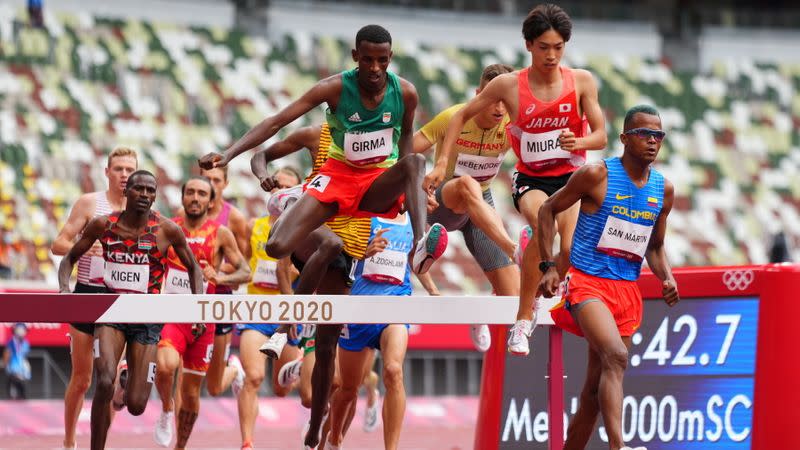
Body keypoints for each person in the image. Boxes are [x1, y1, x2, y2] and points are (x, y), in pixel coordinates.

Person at [224, 24, 449, 445]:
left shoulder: (407, 93)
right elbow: (274, 127)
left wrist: (407, 192)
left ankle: (421, 248)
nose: (376, 68)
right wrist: (233, 157)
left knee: (415, 164)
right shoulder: (325, 111)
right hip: (331, 192)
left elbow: (403, 151)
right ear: (354, 57)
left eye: (384, 60)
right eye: (368, 60)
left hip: (368, 204)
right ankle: (289, 335)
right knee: (283, 248)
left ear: (391, 58)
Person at [425, 3, 607, 356]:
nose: (551, 56)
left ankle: (542, 286)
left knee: (568, 250)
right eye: (544, 48)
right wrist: (442, 160)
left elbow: (600, 136)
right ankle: (522, 322)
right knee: (542, 222)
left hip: (570, 178)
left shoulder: (581, 81)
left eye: (558, 48)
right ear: (528, 46)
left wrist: (578, 141)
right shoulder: (508, 86)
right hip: (532, 179)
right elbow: (461, 114)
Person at [537, 105, 679, 450]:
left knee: (592, 393)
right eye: (644, 134)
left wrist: (667, 277)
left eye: (658, 135)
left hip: (626, 290)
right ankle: (619, 446)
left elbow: (655, 247)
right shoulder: (597, 175)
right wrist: (549, 266)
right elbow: (547, 209)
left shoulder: (664, 190)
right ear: (624, 138)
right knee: (616, 356)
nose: (652, 141)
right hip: (587, 282)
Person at [57, 170, 204, 450]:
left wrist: (198, 309)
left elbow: (194, 268)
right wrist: (65, 291)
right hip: (112, 314)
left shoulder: (166, 229)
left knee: (136, 404)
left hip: (147, 320)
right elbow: (69, 258)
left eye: (151, 191)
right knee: (103, 381)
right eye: (139, 189)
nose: (145, 195)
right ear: (127, 192)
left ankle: (129, 381)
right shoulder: (104, 225)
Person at [414, 63, 519, 352]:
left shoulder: (512, 127)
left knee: (515, 298)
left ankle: (480, 314)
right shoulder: (452, 117)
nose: (499, 108)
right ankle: (513, 248)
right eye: (492, 98)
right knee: (467, 184)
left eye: (505, 100)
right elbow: (404, 153)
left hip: (479, 209)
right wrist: (418, 188)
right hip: (442, 200)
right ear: (478, 94)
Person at [153, 176, 251, 449]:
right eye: (191, 192)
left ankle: (180, 446)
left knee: (195, 393)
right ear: (182, 197)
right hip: (174, 315)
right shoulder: (168, 229)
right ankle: (166, 407)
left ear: (210, 201)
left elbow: (245, 271)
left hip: (204, 320)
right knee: (166, 365)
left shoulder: (220, 233)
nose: (195, 198)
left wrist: (218, 276)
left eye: (202, 194)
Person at [51, 147, 137, 450]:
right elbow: (58, 244)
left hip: (120, 298)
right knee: (82, 379)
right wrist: (83, 247)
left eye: (129, 169)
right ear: (107, 172)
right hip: (87, 294)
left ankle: (100, 443)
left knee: (107, 380)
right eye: (119, 169)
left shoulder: (141, 209)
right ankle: (70, 441)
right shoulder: (90, 204)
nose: (124, 175)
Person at [326, 212, 422, 450]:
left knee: (393, 370)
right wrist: (364, 251)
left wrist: (432, 289)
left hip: (396, 304)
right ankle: (334, 438)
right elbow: (338, 262)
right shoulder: (361, 217)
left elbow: (416, 260)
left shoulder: (414, 218)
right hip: (358, 311)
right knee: (348, 389)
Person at [3, 323, 32, 399]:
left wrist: (26, 367)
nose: (24, 332)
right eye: (22, 329)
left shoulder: (26, 343)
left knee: (22, 390)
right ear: (16, 330)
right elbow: (7, 353)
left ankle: (22, 397)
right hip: (13, 369)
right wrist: (6, 364)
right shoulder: (11, 342)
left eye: (25, 330)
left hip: (23, 370)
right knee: (13, 387)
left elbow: (24, 356)